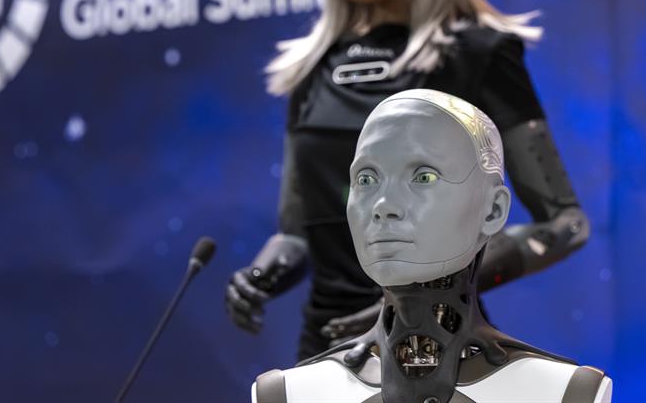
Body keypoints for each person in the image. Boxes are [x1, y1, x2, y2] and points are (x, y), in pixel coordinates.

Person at [225, 0, 590, 361]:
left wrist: (425, 288)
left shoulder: (477, 56)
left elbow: (565, 223)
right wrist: (262, 275)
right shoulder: (314, 69)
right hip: (326, 356)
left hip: (437, 349)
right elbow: (300, 231)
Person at [251, 90, 612, 403]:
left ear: (493, 209)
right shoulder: (288, 393)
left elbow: (568, 225)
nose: (383, 206)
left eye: (423, 177)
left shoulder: (565, 393)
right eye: (366, 179)